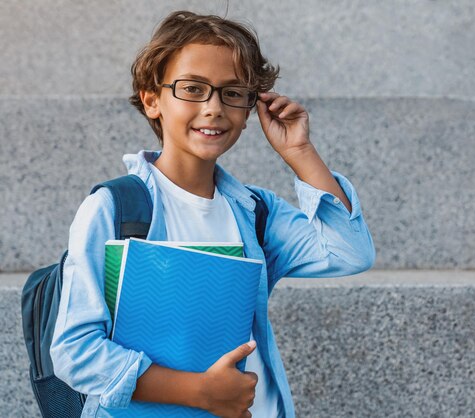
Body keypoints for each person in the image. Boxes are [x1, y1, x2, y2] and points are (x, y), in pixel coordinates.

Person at [51, 10, 375, 418]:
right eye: (192, 89)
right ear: (152, 99)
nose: (213, 107)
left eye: (232, 92)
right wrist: (199, 391)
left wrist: (300, 153)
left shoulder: (257, 213)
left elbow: (350, 253)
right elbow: (75, 352)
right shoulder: (116, 208)